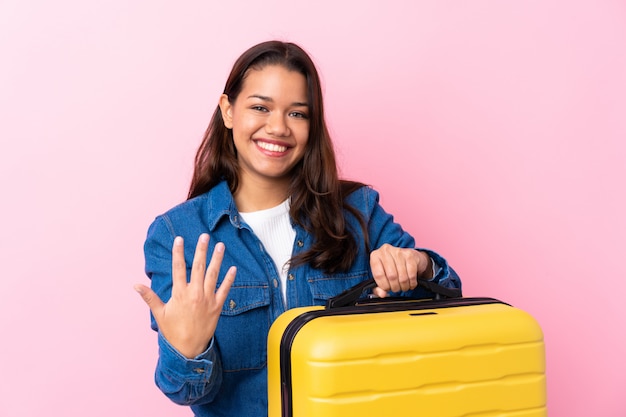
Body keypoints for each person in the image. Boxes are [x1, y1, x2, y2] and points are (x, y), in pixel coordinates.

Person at [135, 40, 461, 417]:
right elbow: (185, 390)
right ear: (228, 111)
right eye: (260, 107)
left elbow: (449, 303)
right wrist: (189, 350)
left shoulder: (359, 212)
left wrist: (418, 265)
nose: (278, 128)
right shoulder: (178, 236)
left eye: (298, 114)